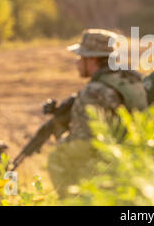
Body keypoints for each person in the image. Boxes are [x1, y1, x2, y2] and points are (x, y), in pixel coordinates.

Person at [47, 28, 148, 196]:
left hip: (109, 167)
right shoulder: (130, 80)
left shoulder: (94, 91)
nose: (77, 62)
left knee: (57, 157)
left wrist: (60, 133)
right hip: (138, 159)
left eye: (81, 57)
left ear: (92, 58)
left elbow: (83, 144)